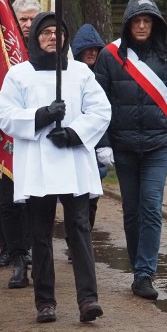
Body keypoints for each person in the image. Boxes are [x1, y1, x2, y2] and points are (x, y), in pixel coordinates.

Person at [0, 11, 111, 324]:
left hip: (72, 162)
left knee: (79, 229)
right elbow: (5, 115)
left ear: (64, 38)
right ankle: (45, 301)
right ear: (35, 37)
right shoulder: (19, 74)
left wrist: (73, 133)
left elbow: (101, 111)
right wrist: (44, 115)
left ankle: (88, 299)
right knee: (40, 234)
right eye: (44, 32)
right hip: (38, 165)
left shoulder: (80, 73)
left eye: (56, 33)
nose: (51, 38)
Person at [94, 0, 167, 300]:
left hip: (156, 147)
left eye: (147, 21)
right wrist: (103, 143)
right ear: (127, 24)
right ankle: (139, 266)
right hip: (122, 147)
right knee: (132, 211)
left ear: (155, 24)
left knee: (151, 207)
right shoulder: (110, 57)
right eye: (136, 21)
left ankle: (144, 273)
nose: (141, 25)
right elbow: (97, 103)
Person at [0, 0, 41, 284]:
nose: (29, 24)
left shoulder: (48, 51)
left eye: (34, 18)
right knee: (7, 201)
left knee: (34, 201)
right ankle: (18, 257)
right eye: (23, 19)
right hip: (4, 134)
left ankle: (33, 253)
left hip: (38, 137)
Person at [71, 23, 107, 229]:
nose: (92, 53)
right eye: (88, 49)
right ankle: (75, 238)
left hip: (97, 144)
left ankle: (84, 235)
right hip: (76, 141)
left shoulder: (103, 76)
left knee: (92, 198)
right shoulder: (71, 76)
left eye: (96, 49)